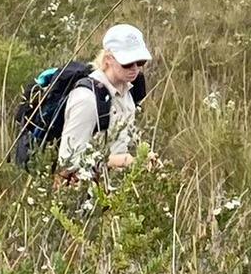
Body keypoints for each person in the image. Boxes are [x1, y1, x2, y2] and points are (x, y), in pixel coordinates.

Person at [12, 22, 153, 174]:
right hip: (86, 187)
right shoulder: (86, 99)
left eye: (140, 62)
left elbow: (122, 141)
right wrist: (119, 161)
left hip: (112, 184)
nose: (135, 69)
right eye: (127, 63)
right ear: (108, 59)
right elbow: (68, 162)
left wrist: (142, 157)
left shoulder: (129, 91)